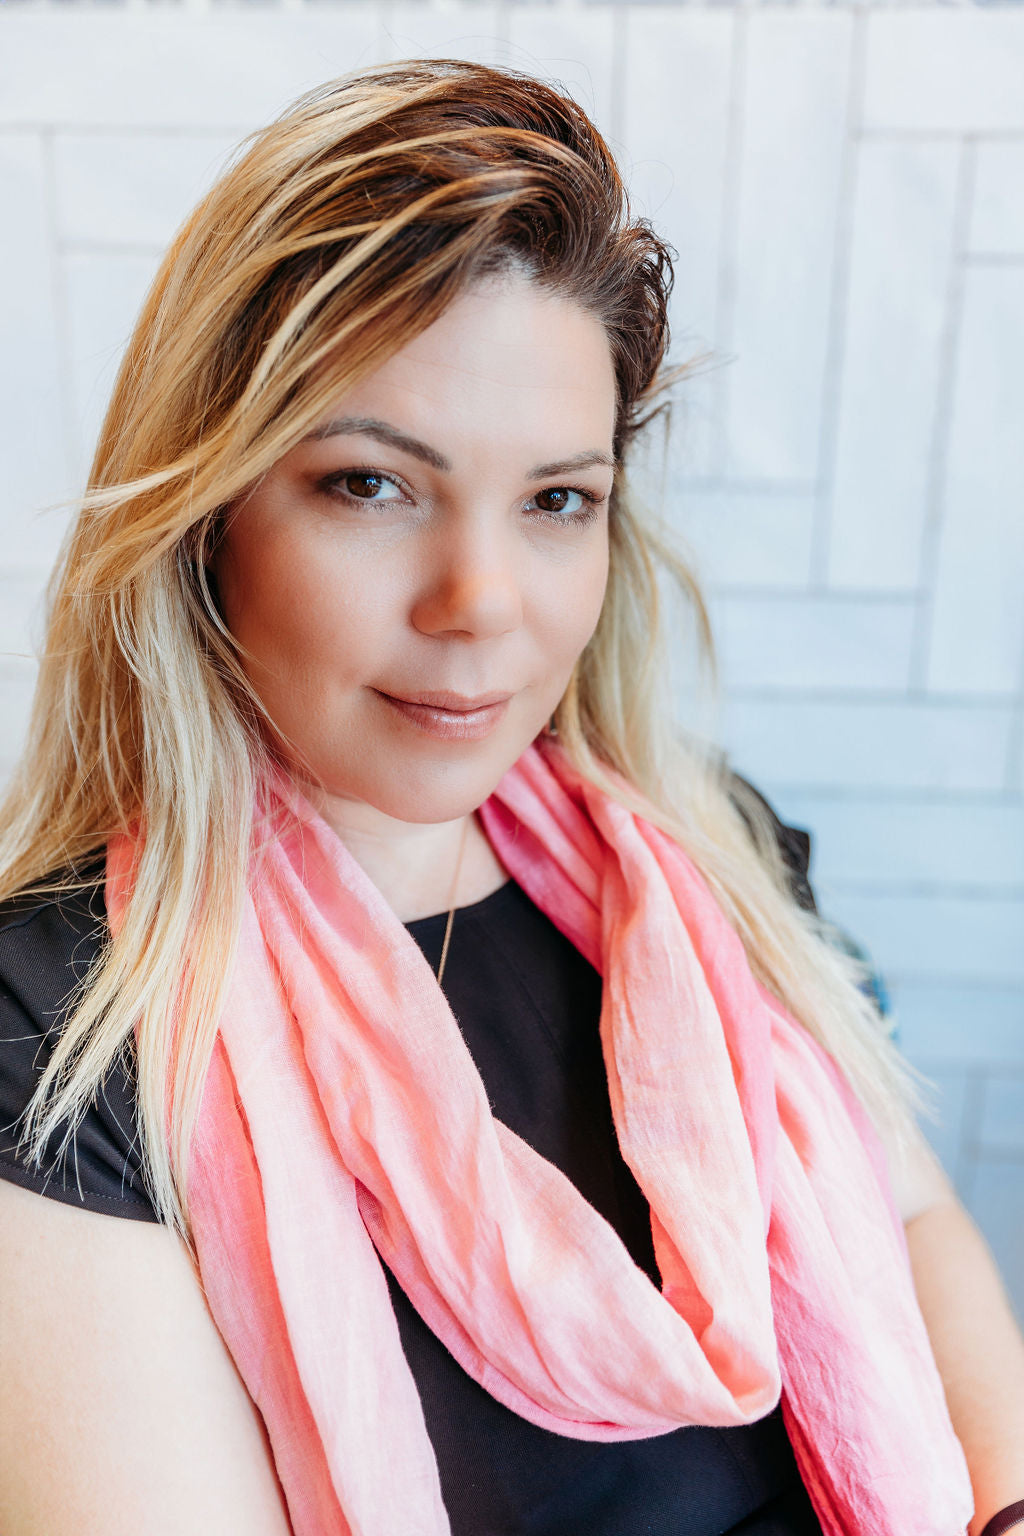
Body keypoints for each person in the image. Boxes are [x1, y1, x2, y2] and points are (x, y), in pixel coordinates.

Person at [0, 58, 1021, 1536]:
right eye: (373, 485)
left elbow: (915, 1219)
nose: (481, 603)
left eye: (556, 500)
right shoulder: (60, 1035)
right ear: (208, 512)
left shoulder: (701, 858)